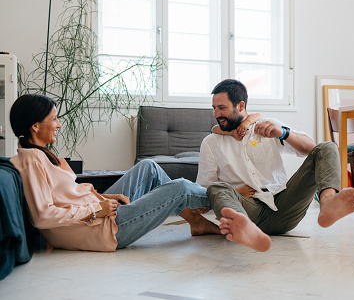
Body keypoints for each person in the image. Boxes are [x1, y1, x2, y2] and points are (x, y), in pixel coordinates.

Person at [9, 94, 220, 252]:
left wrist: (106, 198)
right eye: (54, 119)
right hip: (99, 228)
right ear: (35, 126)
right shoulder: (32, 160)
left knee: (149, 167)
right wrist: (96, 209)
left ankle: (197, 221)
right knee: (180, 188)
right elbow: (43, 217)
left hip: (98, 215)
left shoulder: (40, 155)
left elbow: (68, 197)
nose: (59, 124)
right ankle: (228, 198)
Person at [197, 79, 354, 252]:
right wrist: (235, 193)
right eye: (214, 108)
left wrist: (284, 134)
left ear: (240, 106)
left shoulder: (268, 125)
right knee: (216, 187)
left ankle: (328, 202)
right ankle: (244, 229)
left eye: (222, 108)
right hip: (245, 210)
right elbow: (203, 190)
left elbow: (311, 149)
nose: (216, 114)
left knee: (328, 147)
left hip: (283, 205)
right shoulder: (211, 143)